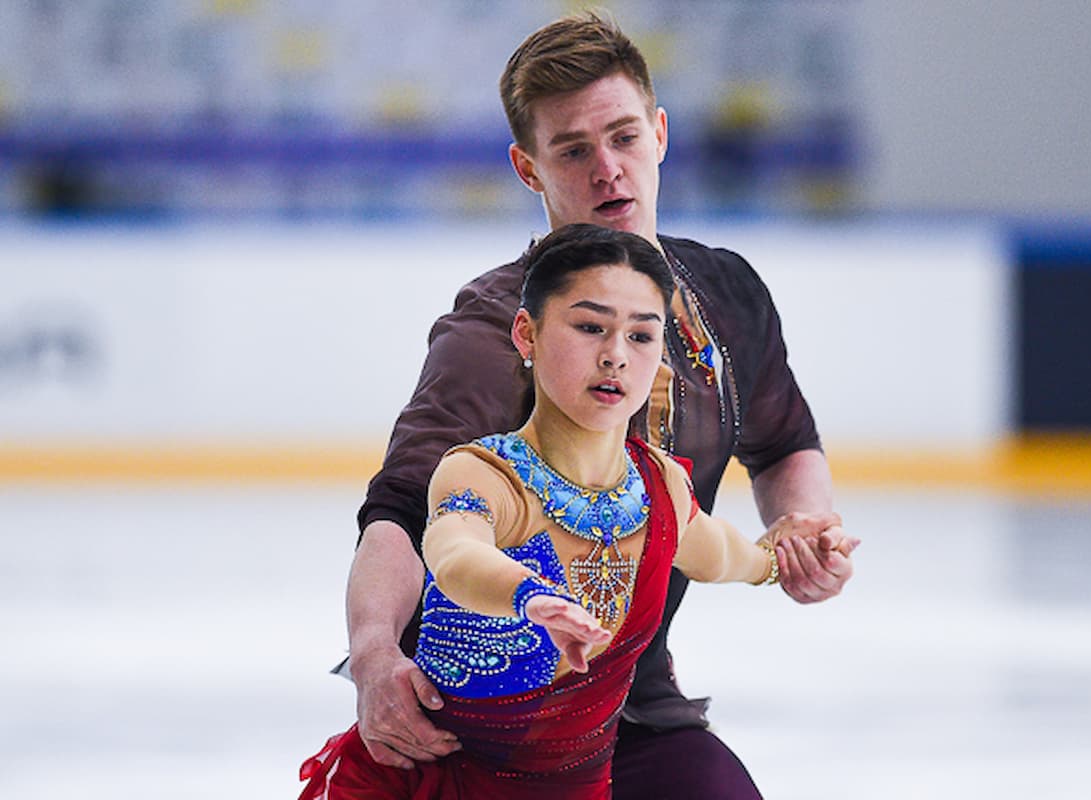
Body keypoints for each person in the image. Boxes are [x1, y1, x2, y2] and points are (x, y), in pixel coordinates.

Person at [343, 12, 859, 799]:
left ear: (658, 133)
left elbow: (784, 440)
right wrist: (377, 659)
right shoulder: (493, 331)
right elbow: (401, 513)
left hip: (635, 707)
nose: (607, 170)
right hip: (478, 721)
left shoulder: (725, 295)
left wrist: (801, 528)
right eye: (573, 150)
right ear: (528, 168)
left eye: (622, 138)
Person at [299, 224, 844, 799]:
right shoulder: (487, 473)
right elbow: (454, 553)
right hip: (427, 781)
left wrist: (790, 553)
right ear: (526, 335)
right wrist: (528, 595)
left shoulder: (660, 487)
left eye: (640, 336)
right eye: (590, 328)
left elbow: (726, 555)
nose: (614, 355)